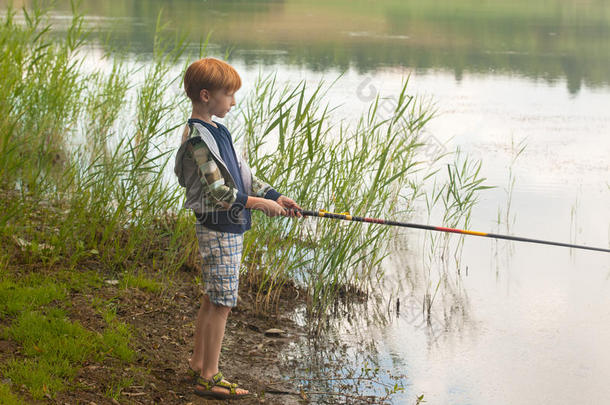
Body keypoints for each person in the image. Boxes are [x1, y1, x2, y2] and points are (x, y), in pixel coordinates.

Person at [174, 57, 301, 399]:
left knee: (213, 297)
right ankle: (210, 378)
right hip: (218, 227)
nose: (232, 101)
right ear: (205, 96)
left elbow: (242, 175)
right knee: (222, 302)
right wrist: (261, 205)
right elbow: (219, 192)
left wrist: (276, 196)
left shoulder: (219, 130)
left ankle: (199, 363)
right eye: (227, 94)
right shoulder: (199, 138)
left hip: (226, 227)